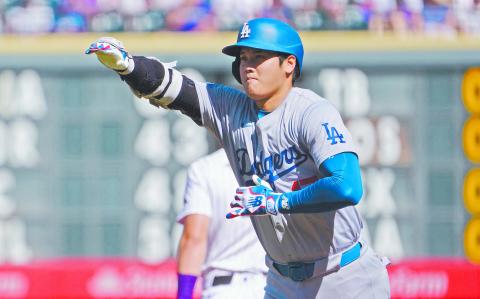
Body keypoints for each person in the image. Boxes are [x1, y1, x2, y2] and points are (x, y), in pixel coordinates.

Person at [86, 17, 390, 298]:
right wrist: (128, 67)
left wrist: (277, 202)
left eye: (259, 57)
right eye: (243, 58)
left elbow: (347, 186)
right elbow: (176, 89)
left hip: (346, 277)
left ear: (289, 64)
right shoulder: (230, 108)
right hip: (282, 281)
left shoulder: (311, 112)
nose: (248, 66)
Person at [176, 148, 267, 299]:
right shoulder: (280, 163)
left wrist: (184, 295)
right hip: (275, 287)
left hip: (224, 289)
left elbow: (194, 239)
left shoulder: (206, 168)